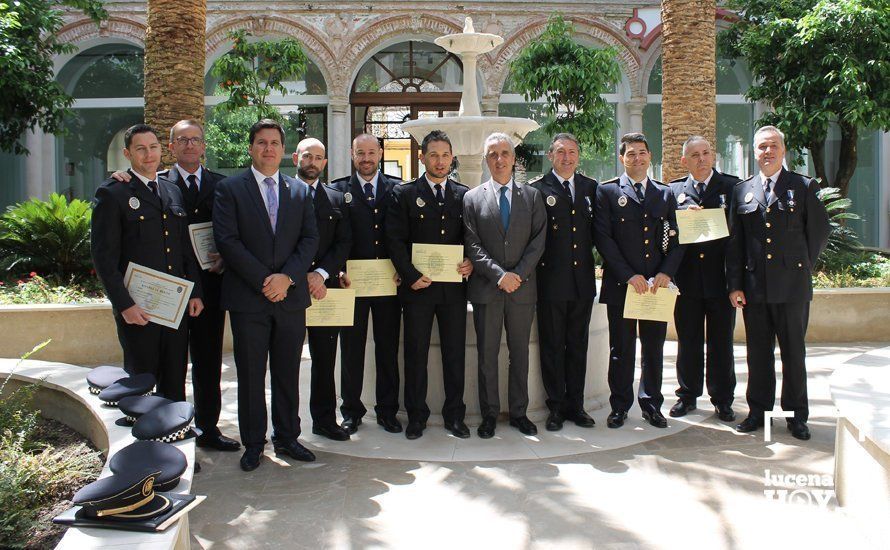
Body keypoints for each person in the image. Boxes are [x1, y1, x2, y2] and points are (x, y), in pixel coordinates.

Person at [110, 119, 239, 451]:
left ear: (204, 145)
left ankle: (208, 429)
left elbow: (233, 232)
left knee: (208, 363)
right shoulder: (151, 184)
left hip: (206, 290)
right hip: (162, 296)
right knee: (168, 367)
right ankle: (167, 435)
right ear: (172, 147)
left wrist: (225, 257)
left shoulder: (222, 185)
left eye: (196, 139)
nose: (190, 145)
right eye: (182, 140)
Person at [213, 119, 319, 471]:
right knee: (251, 374)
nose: (268, 148)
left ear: (284, 151)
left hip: (290, 299)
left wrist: (286, 278)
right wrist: (265, 280)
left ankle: (288, 437)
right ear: (251, 148)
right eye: (261, 142)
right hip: (249, 299)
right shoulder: (230, 189)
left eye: (274, 142)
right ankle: (254, 443)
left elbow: (309, 240)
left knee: (288, 372)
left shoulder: (299, 191)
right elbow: (227, 241)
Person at [727, 125, 830, 440]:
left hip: (792, 288)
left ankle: (797, 416)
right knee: (758, 354)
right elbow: (735, 242)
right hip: (755, 287)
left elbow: (819, 232)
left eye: (773, 146)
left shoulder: (802, 186)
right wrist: (735, 284)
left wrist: (800, 267)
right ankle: (758, 412)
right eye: (761, 147)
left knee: (793, 354)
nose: (767, 152)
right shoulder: (742, 191)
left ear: (783, 150)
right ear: (755, 152)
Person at [91, 123, 203, 402]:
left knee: (175, 381)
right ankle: (143, 442)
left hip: (173, 309)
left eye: (153, 147)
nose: (148, 154)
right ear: (128, 154)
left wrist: (195, 291)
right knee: (142, 383)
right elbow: (104, 258)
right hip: (138, 309)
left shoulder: (171, 190)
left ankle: (173, 438)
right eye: (140, 149)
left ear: (162, 150)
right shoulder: (114, 194)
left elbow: (184, 249)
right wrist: (124, 305)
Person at [386, 130, 474, 440]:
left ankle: (455, 416)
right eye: (433, 155)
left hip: (453, 290)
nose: (440, 161)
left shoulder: (464, 195)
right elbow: (394, 241)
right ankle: (416, 416)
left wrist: (470, 262)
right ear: (422, 158)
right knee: (415, 353)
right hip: (417, 290)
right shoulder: (405, 193)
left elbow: (470, 239)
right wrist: (410, 275)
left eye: (445, 155)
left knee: (454, 354)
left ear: (452, 158)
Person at [594, 132, 684, 429]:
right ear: (622, 158)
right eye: (631, 153)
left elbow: (677, 237)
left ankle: (651, 405)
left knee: (654, 349)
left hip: (655, 288)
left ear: (650, 156)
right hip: (624, 286)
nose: (637, 158)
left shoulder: (664, 193)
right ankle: (619, 406)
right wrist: (629, 275)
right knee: (621, 350)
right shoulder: (607, 192)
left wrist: (665, 272)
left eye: (642, 152)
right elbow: (603, 239)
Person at [463, 132, 546, 438]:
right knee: (486, 355)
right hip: (488, 290)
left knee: (519, 353)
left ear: (514, 158)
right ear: (486, 160)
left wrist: (517, 275)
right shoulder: (472, 199)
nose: (499, 159)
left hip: (522, 291)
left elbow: (538, 242)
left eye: (504, 153)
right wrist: (499, 275)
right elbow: (472, 245)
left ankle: (519, 413)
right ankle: (488, 414)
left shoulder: (532, 197)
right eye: (492, 154)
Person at [330, 134, 403, 435]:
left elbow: (403, 234)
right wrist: (338, 272)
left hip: (388, 283)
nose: (366, 158)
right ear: (352, 154)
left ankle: (387, 411)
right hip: (352, 284)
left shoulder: (397, 189)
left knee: (387, 348)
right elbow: (332, 237)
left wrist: (404, 270)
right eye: (361, 153)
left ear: (381, 153)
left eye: (371, 152)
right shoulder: (337, 189)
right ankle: (351, 410)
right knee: (351, 350)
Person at [528, 133, 598, 432]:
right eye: (560, 152)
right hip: (551, 282)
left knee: (578, 345)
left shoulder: (590, 188)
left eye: (572, 151)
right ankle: (555, 407)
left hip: (581, 281)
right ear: (550, 155)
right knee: (553, 346)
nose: (566, 157)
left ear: (578, 155)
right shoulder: (537, 190)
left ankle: (576, 405)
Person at [667, 136, 739, 422]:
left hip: (720, 280)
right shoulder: (674, 192)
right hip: (688, 282)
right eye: (694, 155)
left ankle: (723, 399)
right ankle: (687, 395)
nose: (701, 159)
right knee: (689, 340)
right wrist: (682, 216)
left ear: (714, 156)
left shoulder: (732, 188)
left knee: (722, 342)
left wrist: (736, 282)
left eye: (706, 153)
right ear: (685, 161)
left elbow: (739, 239)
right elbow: (666, 233)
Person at [293, 137, 353, 442]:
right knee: (286, 361)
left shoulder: (335, 198)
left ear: (325, 163)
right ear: (296, 158)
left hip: (324, 289)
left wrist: (321, 273)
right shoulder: (281, 192)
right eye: (307, 156)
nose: (312, 162)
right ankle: (286, 427)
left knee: (325, 358)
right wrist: (299, 275)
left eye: (318, 157)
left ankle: (325, 420)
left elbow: (343, 242)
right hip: (288, 288)